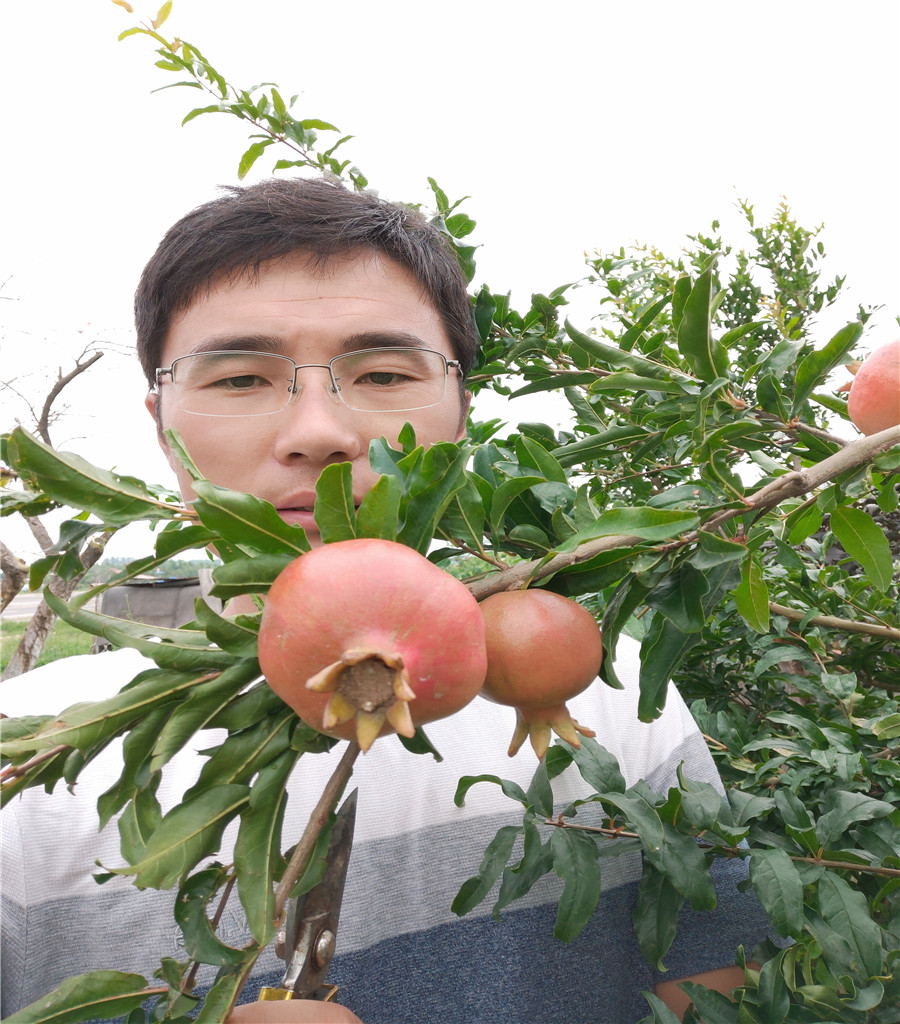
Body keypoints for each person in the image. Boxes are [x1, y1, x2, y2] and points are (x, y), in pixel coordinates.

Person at [1, 178, 772, 1024]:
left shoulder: (607, 691)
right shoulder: (27, 774)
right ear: (161, 424)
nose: (320, 431)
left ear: (462, 412)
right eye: (239, 380)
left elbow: (707, 986)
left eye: (382, 371)